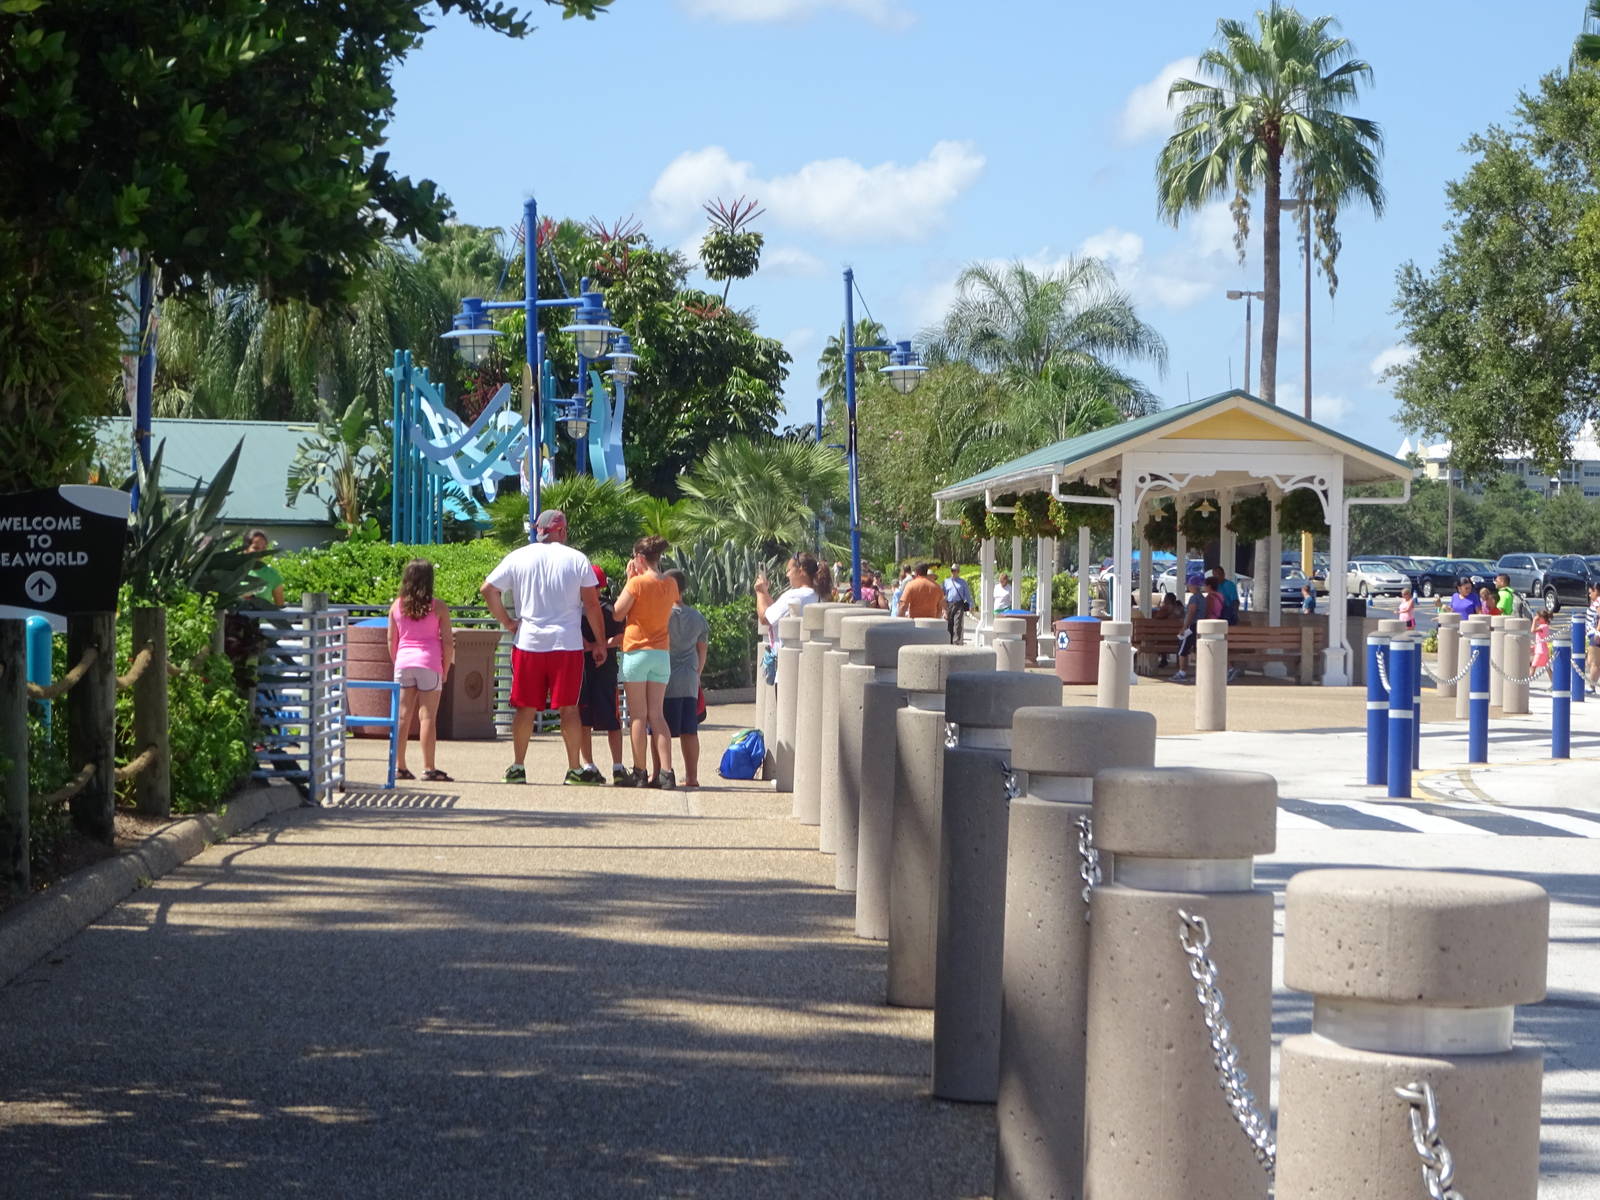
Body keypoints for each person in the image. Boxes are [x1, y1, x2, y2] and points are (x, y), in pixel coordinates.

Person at [480, 508, 606, 786]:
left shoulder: (519, 556)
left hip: (528, 642)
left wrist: (508, 622)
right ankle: (574, 768)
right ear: (561, 530)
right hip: (567, 644)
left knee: (524, 707)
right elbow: (592, 604)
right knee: (569, 708)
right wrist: (599, 642)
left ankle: (518, 766)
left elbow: (488, 589)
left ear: (539, 531)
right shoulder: (576, 559)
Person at [614, 535, 680, 789]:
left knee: (639, 716)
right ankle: (666, 772)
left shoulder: (637, 583)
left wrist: (629, 579)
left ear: (640, 558)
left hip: (637, 651)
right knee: (658, 715)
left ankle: (640, 771)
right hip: (661, 653)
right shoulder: (671, 583)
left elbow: (619, 612)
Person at [387, 558, 454, 782]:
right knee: (427, 717)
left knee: (402, 716)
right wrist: (444, 669)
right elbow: (447, 642)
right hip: (430, 662)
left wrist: (398, 661)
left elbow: (391, 640)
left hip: (404, 662)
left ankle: (399, 766)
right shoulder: (439, 607)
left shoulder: (396, 606)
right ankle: (429, 767)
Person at [577, 565, 626, 785]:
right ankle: (617, 766)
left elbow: (570, 634)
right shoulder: (612, 609)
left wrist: (591, 646)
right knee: (612, 718)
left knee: (582, 718)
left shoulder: (576, 610)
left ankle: (588, 765)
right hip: (607, 669)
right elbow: (624, 635)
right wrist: (604, 646)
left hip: (582, 668)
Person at [663, 568, 710, 788]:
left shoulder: (662, 614)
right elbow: (702, 651)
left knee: (661, 728)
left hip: (664, 678)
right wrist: (696, 674)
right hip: (689, 678)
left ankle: (663, 772)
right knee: (689, 731)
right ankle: (692, 777)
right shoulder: (697, 617)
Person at [755, 553, 821, 650]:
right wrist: (765, 592)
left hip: (784, 659)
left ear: (801, 570)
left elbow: (765, 618)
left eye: (789, 570)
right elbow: (775, 612)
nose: (787, 575)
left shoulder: (794, 596)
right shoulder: (816, 594)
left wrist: (759, 592)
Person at [1171, 574, 1203, 682]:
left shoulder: (1194, 598)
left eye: (1189, 585)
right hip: (1199, 626)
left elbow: (1191, 613)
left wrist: (1184, 628)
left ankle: (1182, 672)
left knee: (1182, 649)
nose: (1188, 587)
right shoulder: (1203, 599)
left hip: (1191, 627)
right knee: (1195, 649)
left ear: (1194, 586)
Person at [242, 529, 285, 607]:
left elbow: (280, 607)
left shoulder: (272, 575)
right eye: (256, 548)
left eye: (264, 548)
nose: (261, 552)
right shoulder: (233, 572)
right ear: (245, 549)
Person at [943, 564, 974, 644]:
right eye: (952, 570)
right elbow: (943, 594)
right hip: (949, 604)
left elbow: (967, 594)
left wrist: (971, 605)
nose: (953, 572)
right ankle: (949, 641)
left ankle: (957, 642)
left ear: (958, 572)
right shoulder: (946, 582)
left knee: (958, 624)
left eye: (955, 570)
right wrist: (943, 607)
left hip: (959, 604)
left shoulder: (962, 582)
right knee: (949, 623)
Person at [1531, 608, 1553, 676]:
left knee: (1533, 667)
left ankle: (1527, 683)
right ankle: (1553, 681)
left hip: (1540, 651)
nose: (1537, 619)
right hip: (1543, 650)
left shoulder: (1543, 627)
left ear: (1543, 618)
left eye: (1539, 618)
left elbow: (1532, 630)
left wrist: (1534, 620)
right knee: (1547, 667)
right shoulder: (1545, 626)